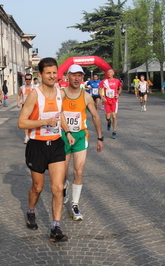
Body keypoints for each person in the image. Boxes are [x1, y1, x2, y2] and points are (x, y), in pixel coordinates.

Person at [18, 57, 74, 242]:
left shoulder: (60, 92)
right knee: (38, 187)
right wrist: (44, 122)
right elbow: (21, 122)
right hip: (37, 145)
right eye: (47, 73)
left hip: (56, 143)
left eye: (54, 72)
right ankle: (31, 210)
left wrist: (67, 132)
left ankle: (55, 228)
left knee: (58, 188)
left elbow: (61, 114)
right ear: (40, 74)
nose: (52, 76)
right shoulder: (34, 94)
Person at [60, 65, 104, 221]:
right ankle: (64, 186)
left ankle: (75, 204)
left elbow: (95, 116)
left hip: (80, 136)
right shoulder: (61, 94)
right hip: (63, 136)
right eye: (74, 75)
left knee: (78, 171)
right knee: (63, 173)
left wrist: (100, 137)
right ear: (67, 76)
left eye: (80, 75)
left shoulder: (86, 96)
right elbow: (57, 113)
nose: (77, 78)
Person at [100, 68, 123, 139]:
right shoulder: (104, 81)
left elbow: (120, 88)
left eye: (110, 72)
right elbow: (100, 90)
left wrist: (118, 94)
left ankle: (114, 131)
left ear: (113, 73)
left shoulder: (117, 81)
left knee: (114, 116)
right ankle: (109, 122)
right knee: (108, 117)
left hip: (114, 100)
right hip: (107, 101)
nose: (109, 73)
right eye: (108, 72)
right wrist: (102, 97)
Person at [17, 74, 35, 144]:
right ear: (25, 80)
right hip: (25, 106)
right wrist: (18, 102)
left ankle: (32, 135)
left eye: (29, 79)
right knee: (25, 121)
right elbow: (19, 94)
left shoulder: (34, 87)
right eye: (26, 79)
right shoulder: (22, 88)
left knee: (33, 121)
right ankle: (27, 137)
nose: (28, 81)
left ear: (31, 79)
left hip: (33, 105)